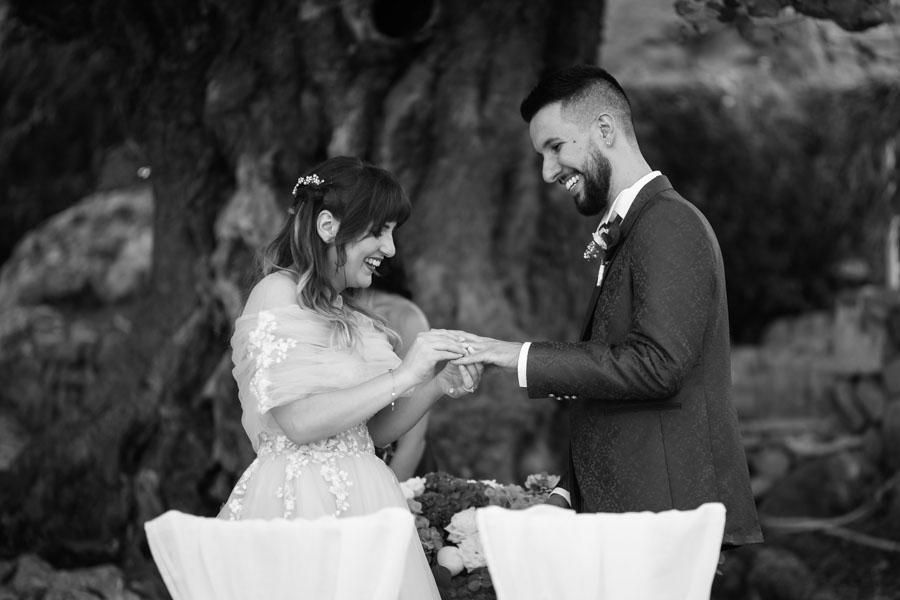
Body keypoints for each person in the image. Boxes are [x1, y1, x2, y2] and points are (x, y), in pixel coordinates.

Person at [454, 65, 763, 549]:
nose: (547, 171)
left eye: (556, 147)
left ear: (604, 129)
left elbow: (658, 367)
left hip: (663, 517)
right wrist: (565, 494)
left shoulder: (668, 224)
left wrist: (518, 356)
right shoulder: (632, 229)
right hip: (631, 512)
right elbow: (618, 394)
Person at [218, 156, 482, 598]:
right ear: (327, 226)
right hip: (299, 503)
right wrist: (405, 374)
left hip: (368, 497)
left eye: (393, 231)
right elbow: (299, 423)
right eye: (379, 230)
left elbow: (373, 430)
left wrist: (438, 383)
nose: (391, 248)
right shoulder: (277, 295)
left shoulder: (349, 313)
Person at [362, 258, 443, 481]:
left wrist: (389, 507)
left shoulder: (403, 317)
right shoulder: (312, 311)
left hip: (392, 464)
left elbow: (413, 438)